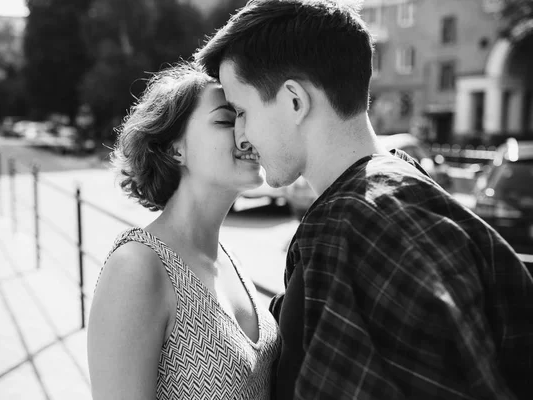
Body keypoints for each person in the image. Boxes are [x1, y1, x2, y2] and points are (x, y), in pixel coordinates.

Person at [194, 0, 533, 399]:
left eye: (242, 111)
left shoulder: (346, 227)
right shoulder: (418, 193)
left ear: (294, 102)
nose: (241, 136)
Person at [87, 62, 280, 400]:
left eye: (246, 117)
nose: (246, 134)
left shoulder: (228, 259)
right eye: (225, 120)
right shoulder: (137, 267)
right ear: (176, 149)